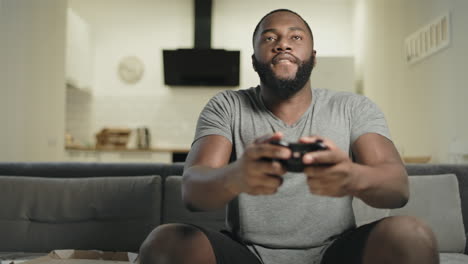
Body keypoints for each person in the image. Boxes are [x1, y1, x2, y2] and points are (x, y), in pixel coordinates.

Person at [139, 9, 439, 264]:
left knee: (410, 236)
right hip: (248, 253)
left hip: (334, 252)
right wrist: (237, 175)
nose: (283, 44)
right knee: (165, 242)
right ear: (255, 56)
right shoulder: (227, 105)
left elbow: (398, 188)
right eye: (270, 38)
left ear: (313, 56)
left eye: (296, 37)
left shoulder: (353, 106)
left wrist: (351, 176)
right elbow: (193, 191)